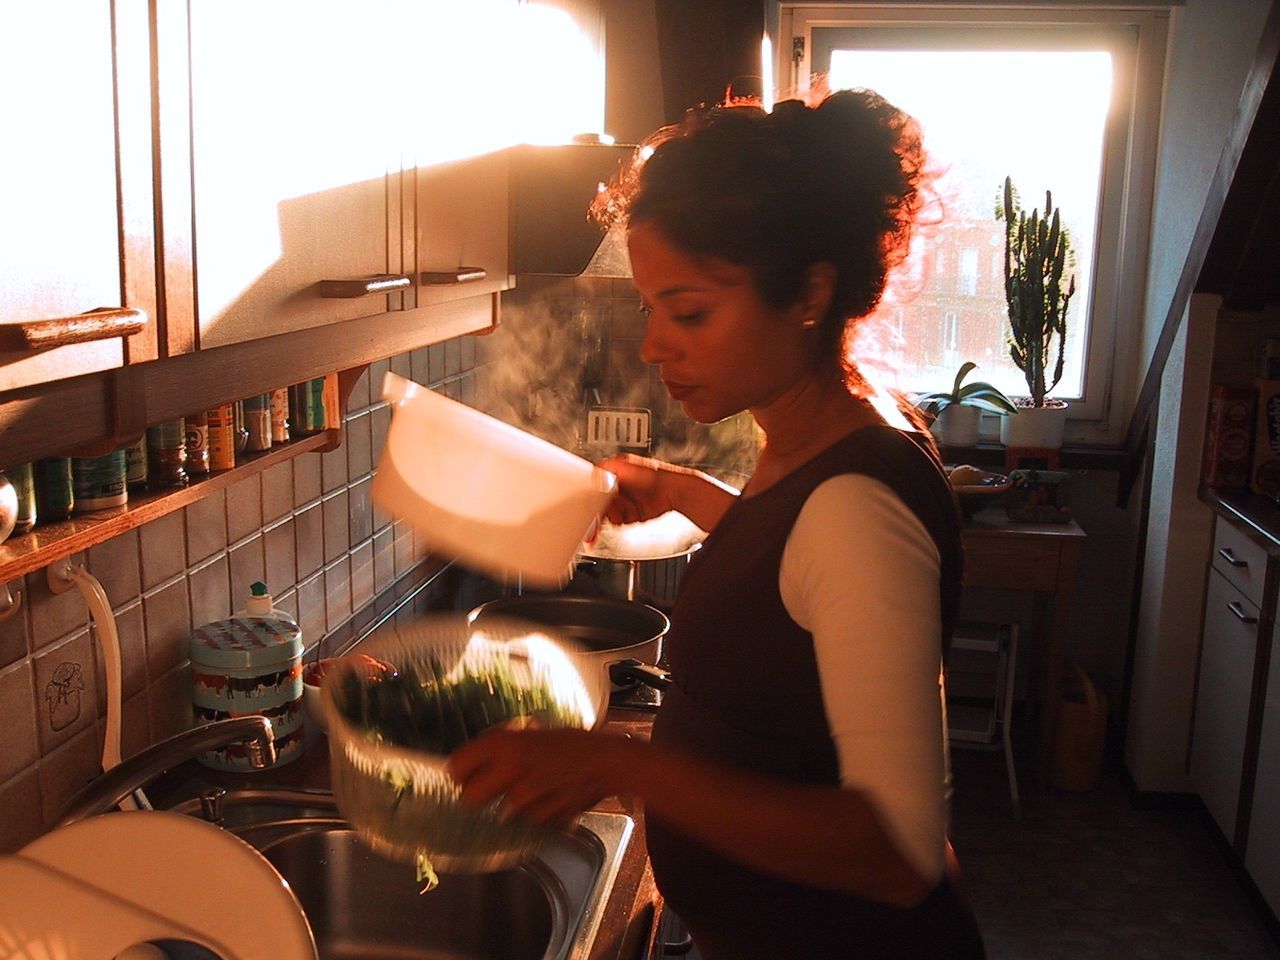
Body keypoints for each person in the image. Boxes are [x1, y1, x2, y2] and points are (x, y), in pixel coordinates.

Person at [448, 88, 985, 960]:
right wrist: (686, 491)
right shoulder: (827, 429)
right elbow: (802, 577)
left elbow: (897, 853)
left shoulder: (856, 503)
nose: (656, 345)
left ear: (808, 292)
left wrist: (617, 765)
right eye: (653, 307)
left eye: (688, 311)